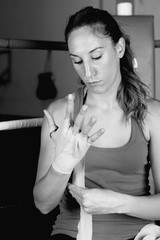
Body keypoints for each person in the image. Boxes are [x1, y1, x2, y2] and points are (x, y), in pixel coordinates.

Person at [33, 6, 160, 240]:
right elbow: (43, 204)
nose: (88, 72)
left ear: (119, 48)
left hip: (137, 234)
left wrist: (117, 203)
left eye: (97, 56)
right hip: (72, 234)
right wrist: (62, 165)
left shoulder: (151, 114)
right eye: (77, 61)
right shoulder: (60, 113)